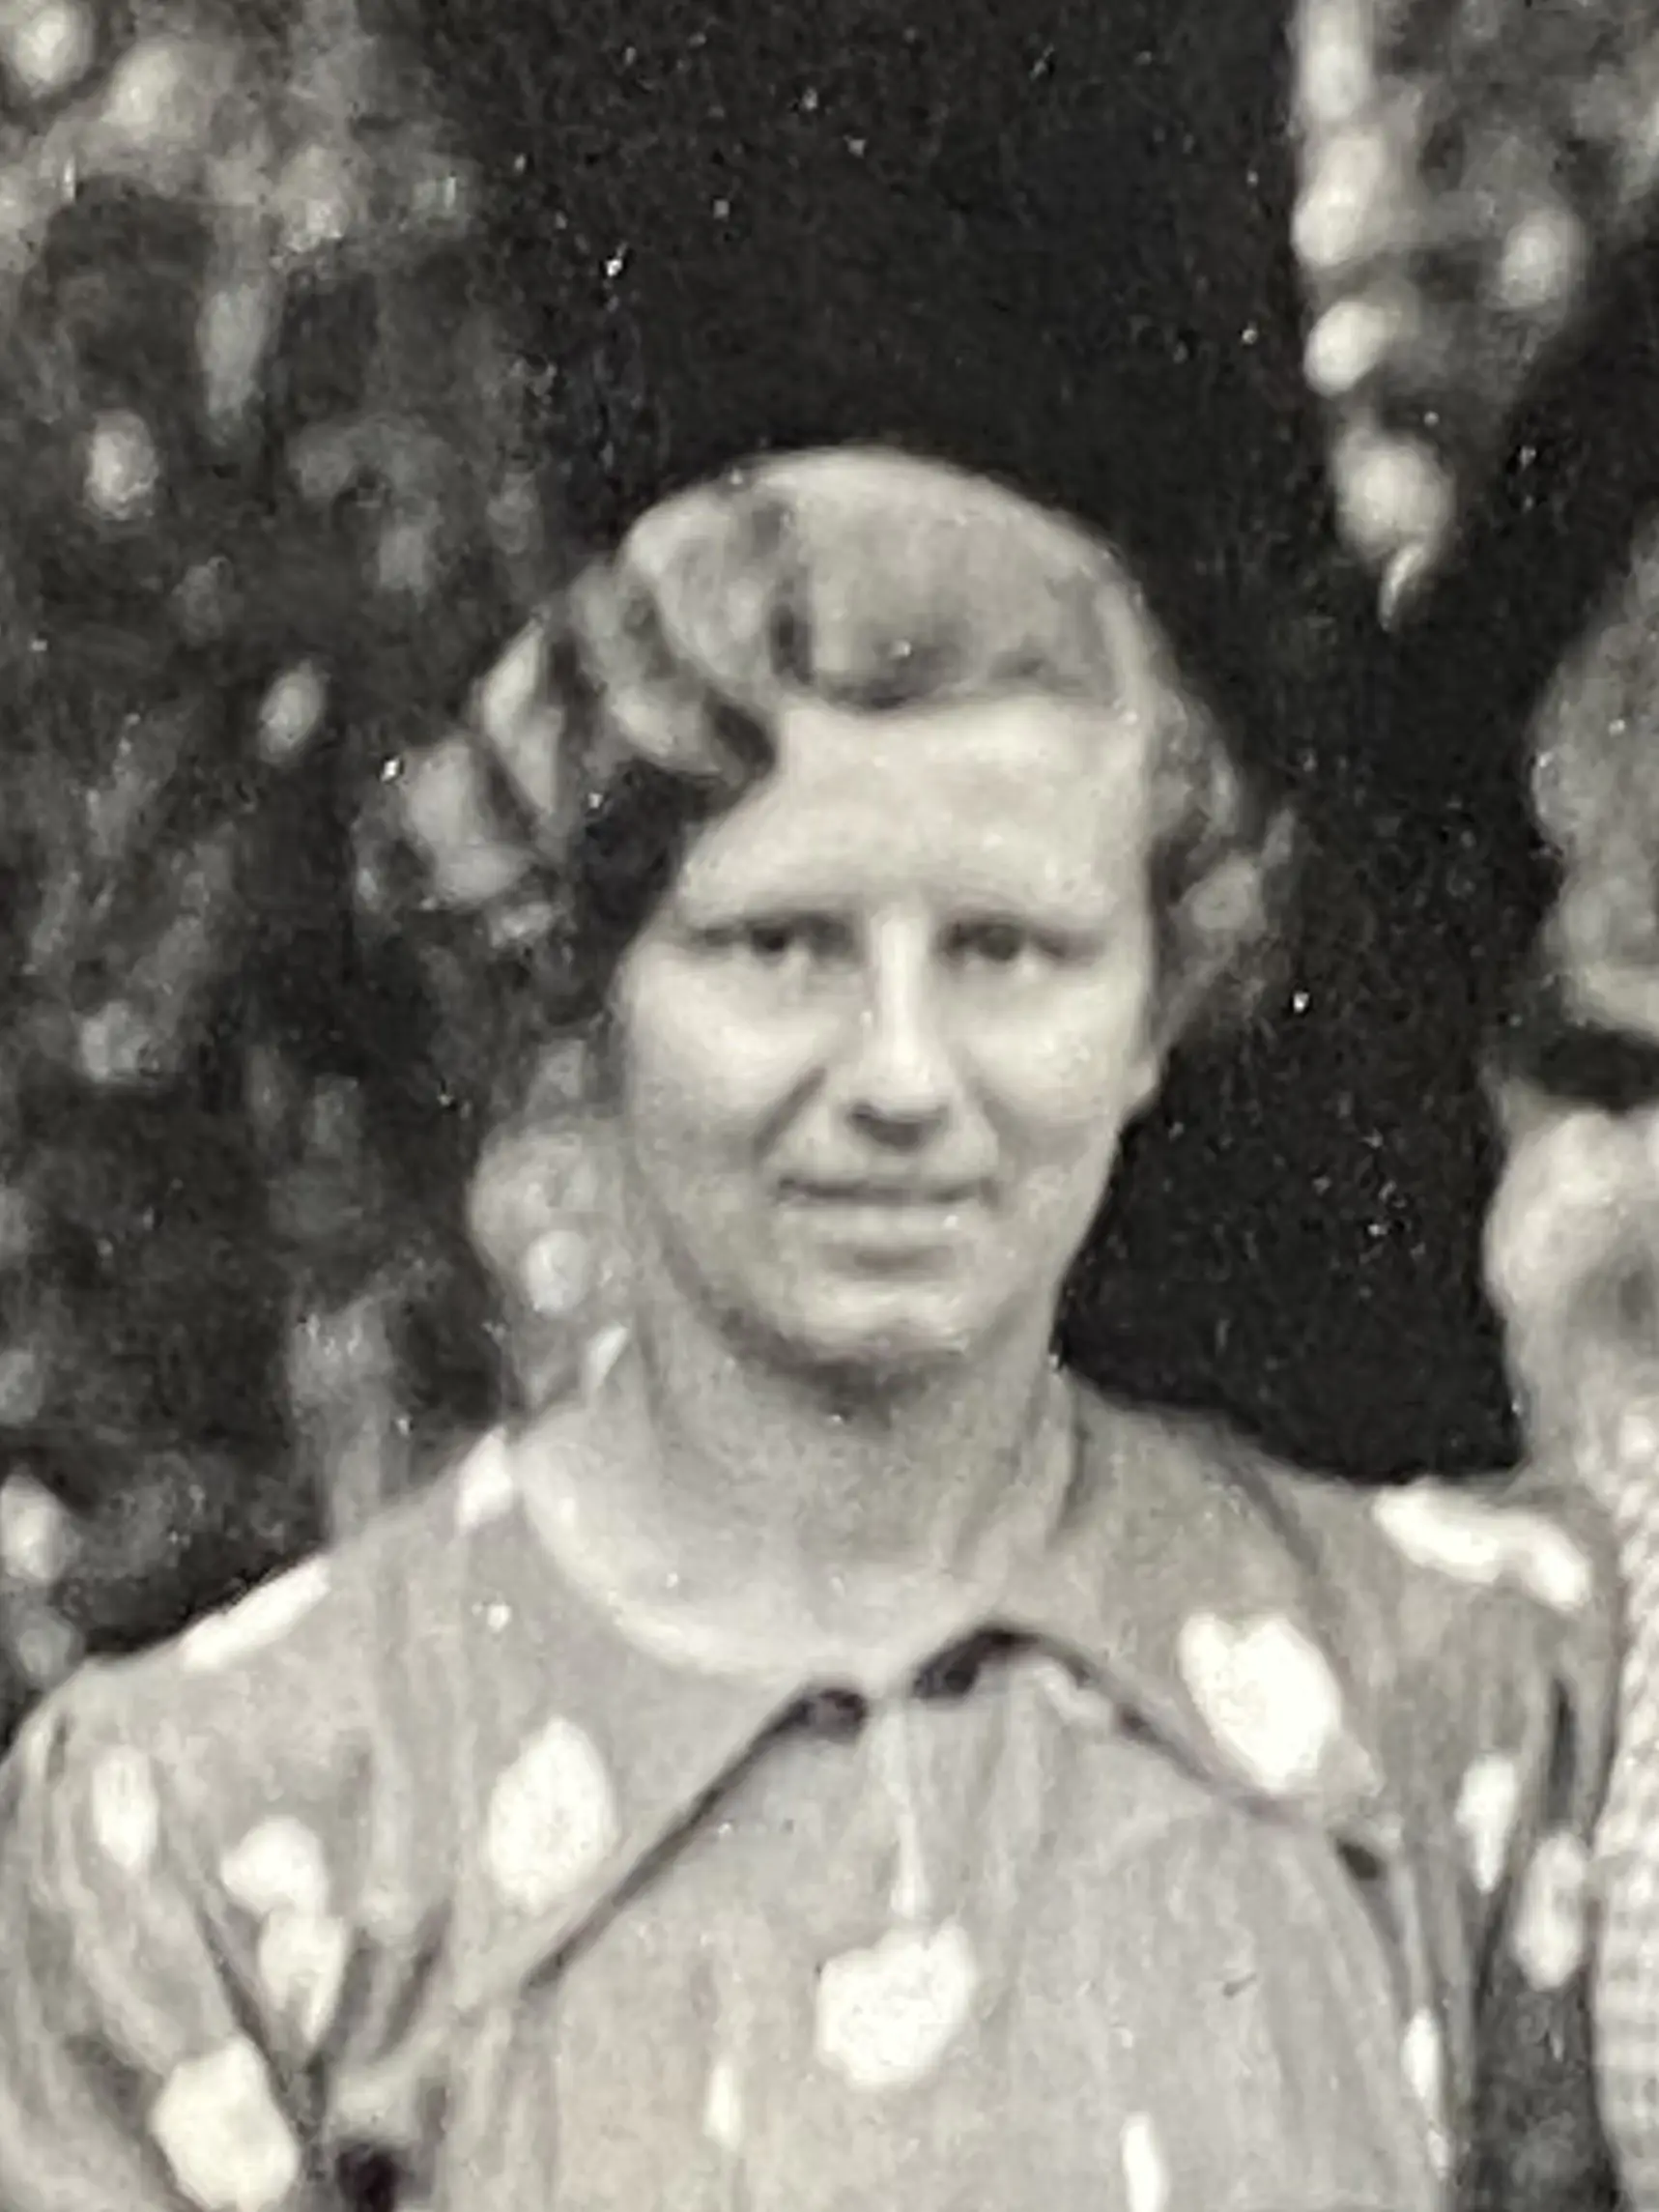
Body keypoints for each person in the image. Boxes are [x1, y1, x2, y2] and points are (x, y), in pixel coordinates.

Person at [0, 445, 1625, 2212]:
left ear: (1154, 1012)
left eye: (1011, 951)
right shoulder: (228, 1820)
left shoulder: (1468, 1698)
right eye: (779, 946)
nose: (903, 1080)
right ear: (584, 985)